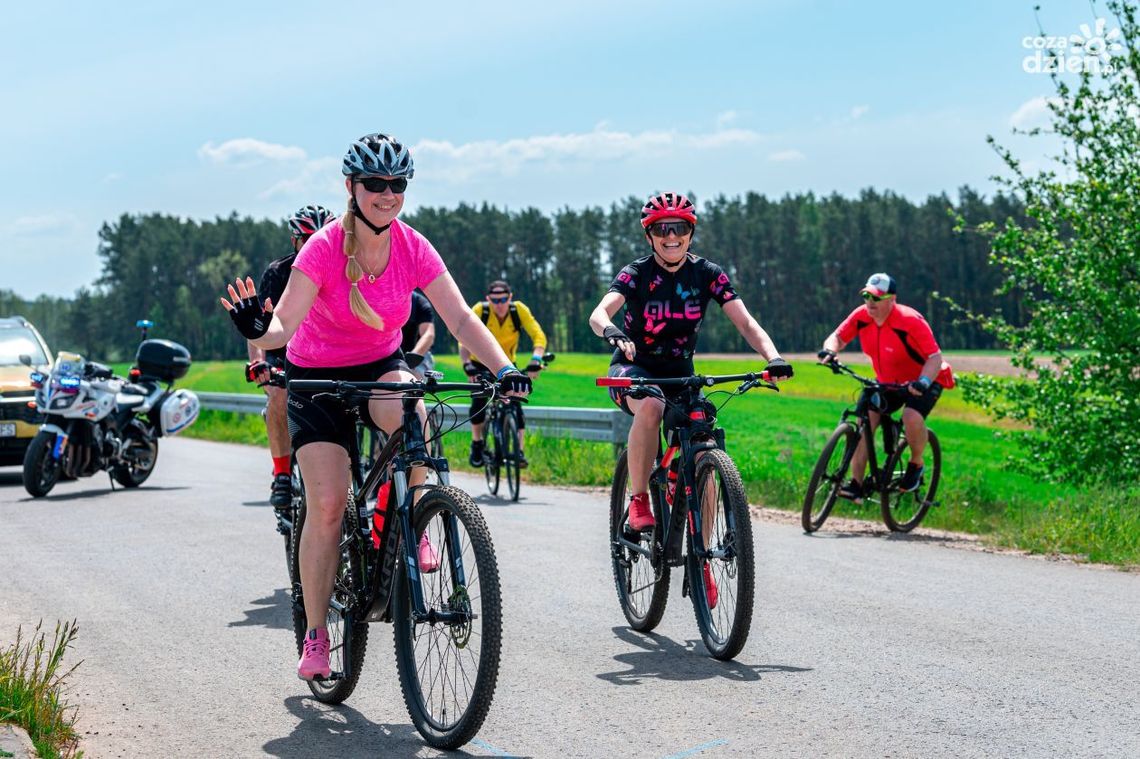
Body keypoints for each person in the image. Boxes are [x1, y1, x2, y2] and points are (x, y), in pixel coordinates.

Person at [220, 133, 531, 681]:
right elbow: (284, 325)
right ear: (352, 188)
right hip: (315, 377)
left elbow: (459, 318)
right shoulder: (321, 249)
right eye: (375, 185)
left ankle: (413, 518)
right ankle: (317, 635)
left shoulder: (412, 246)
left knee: (416, 410)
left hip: (378, 366)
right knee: (329, 503)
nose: (387, 195)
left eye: (397, 185)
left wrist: (504, 368)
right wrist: (257, 331)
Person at [588, 191, 793, 606]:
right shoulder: (636, 274)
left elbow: (746, 322)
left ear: (690, 233)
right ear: (650, 235)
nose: (671, 236)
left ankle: (701, 558)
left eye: (679, 228)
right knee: (652, 406)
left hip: (681, 373)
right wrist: (612, 332)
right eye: (662, 229)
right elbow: (599, 313)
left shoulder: (708, 275)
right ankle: (640, 499)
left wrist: (772, 357)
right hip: (635, 369)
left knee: (706, 442)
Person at [818, 272, 953, 500]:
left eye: (877, 298)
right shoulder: (862, 316)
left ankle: (916, 463)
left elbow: (934, 357)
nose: (870, 302)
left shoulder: (910, 321)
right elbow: (838, 337)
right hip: (888, 382)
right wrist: (830, 351)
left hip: (926, 379)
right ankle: (856, 485)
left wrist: (923, 382)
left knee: (911, 417)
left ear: (892, 299)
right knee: (864, 424)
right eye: (867, 296)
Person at [246, 204, 336, 511]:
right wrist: (258, 361)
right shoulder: (278, 273)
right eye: (308, 238)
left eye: (322, 237)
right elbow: (257, 326)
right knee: (279, 394)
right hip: (283, 354)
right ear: (294, 240)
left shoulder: (341, 269)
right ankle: (282, 474)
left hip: (327, 356)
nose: (314, 244)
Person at [459, 280, 547, 469]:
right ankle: (477, 443)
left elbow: (538, 335)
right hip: (479, 363)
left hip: (507, 365)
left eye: (504, 299)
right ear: (488, 299)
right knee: (479, 402)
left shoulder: (518, 311)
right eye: (495, 300)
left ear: (510, 298)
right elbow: (464, 338)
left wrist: (536, 360)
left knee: (517, 402)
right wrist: (467, 364)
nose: (499, 304)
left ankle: (519, 452)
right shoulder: (481, 310)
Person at [401, 290, 436, 380]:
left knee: (411, 381)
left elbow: (428, 335)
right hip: (390, 355)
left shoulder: (419, 303)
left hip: (418, 355)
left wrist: (411, 359)